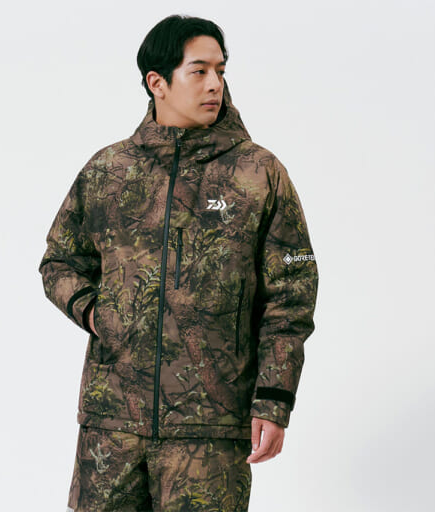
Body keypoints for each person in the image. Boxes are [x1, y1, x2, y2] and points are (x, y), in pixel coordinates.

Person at [38, 14, 319, 512]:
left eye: (221, 71)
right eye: (199, 70)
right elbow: (60, 261)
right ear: (157, 82)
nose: (215, 84)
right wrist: (95, 312)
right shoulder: (109, 171)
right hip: (111, 425)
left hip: (210, 431)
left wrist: (274, 400)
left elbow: (291, 296)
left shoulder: (258, 173)